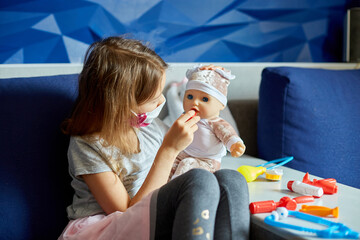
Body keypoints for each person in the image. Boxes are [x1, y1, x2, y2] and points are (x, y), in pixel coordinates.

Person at [59, 36, 250, 240]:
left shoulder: (150, 127)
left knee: (231, 179)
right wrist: (169, 150)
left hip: (152, 214)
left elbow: (192, 150)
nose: (163, 100)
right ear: (122, 104)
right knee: (198, 180)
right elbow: (124, 212)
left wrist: (206, 87)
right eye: (154, 99)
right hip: (107, 228)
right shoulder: (88, 145)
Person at [169, 65, 246, 179]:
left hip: (207, 162)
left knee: (187, 164)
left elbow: (227, 134)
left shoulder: (215, 123)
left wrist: (234, 144)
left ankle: (176, 189)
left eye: (204, 99)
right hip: (183, 154)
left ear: (221, 105)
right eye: (190, 96)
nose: (194, 102)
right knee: (169, 166)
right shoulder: (185, 117)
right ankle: (163, 189)